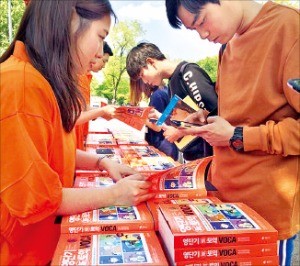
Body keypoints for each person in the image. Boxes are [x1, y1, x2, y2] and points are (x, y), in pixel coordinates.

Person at [0, 1, 153, 264]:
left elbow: (53, 151)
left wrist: (101, 162)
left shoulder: (39, 81)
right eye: (100, 36)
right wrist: (114, 195)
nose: (98, 52)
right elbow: (37, 199)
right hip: (22, 254)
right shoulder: (21, 85)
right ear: (70, 21)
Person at [165, 0, 299, 265]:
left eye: (201, 21)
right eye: (194, 30)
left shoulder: (289, 28)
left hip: (266, 218)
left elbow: (241, 130)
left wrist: (237, 136)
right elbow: (241, 114)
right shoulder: (227, 46)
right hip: (222, 205)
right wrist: (206, 120)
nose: (203, 35)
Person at [126, 42, 218, 161]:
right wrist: (159, 116)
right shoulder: (171, 84)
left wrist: (179, 132)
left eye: (142, 75)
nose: (144, 81)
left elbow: (215, 116)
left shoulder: (187, 73)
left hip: (207, 157)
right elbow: (175, 119)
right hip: (191, 157)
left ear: (150, 62)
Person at [75, 41, 115, 150]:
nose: (104, 66)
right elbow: (76, 115)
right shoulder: (80, 76)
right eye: (103, 60)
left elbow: (82, 108)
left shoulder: (85, 76)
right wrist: (102, 111)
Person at [130, 79, 179, 161]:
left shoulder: (157, 95)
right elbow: (164, 118)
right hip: (170, 144)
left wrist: (139, 117)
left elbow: (157, 126)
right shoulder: (166, 91)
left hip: (161, 144)